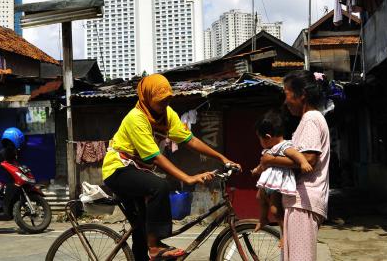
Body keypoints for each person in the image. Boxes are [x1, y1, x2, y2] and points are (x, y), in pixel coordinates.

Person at [102, 74, 241, 261]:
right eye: (160, 100)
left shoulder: (167, 115)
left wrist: (221, 157)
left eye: (167, 99)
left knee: (142, 227)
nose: (164, 103)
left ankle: (148, 248)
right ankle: (156, 246)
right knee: (160, 186)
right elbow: (156, 158)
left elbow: (189, 140)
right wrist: (187, 177)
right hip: (118, 169)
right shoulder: (136, 118)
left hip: (138, 170)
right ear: (146, 97)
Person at [260, 70, 330, 261]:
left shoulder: (311, 119)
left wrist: (270, 160)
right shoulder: (309, 120)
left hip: (303, 201)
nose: (285, 101)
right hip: (300, 201)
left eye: (287, 94)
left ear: (302, 95)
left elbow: (308, 159)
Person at [251, 110, 313, 240]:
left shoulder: (284, 146)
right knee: (259, 196)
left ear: (267, 137)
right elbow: (264, 164)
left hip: (277, 184)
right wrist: (257, 170)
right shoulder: (269, 149)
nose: (260, 142)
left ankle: (284, 234)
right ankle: (263, 219)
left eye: (260, 139)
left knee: (275, 210)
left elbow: (296, 155)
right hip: (269, 182)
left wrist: (303, 163)